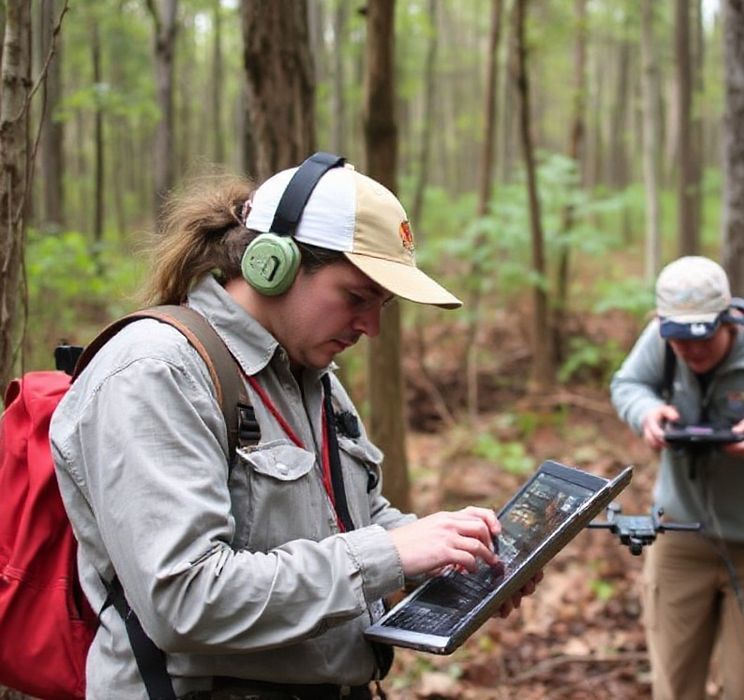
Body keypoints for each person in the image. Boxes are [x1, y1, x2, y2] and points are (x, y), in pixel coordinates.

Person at [50, 154, 536, 698]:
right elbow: (182, 601)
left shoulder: (313, 374)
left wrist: (448, 556)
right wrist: (392, 555)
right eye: (356, 297)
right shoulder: (157, 372)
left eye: (383, 305)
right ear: (271, 263)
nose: (371, 327)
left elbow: (355, 517)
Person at [610, 256, 744, 700]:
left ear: (728, 321)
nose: (692, 350)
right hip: (679, 539)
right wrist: (648, 414)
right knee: (674, 684)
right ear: (661, 323)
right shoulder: (659, 343)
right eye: (680, 339)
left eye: (703, 337)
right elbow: (627, 385)